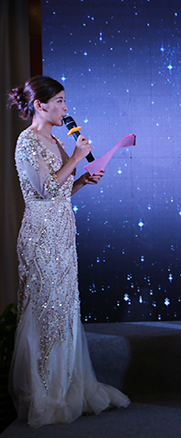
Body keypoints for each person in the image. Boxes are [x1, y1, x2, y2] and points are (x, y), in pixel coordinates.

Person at [7, 76, 129, 427]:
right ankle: (44, 393)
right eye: (59, 101)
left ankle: (65, 387)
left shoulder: (57, 140)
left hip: (62, 231)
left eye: (64, 101)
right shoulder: (27, 141)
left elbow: (60, 191)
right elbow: (44, 190)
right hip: (41, 236)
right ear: (40, 105)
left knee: (63, 307)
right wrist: (76, 157)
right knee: (45, 308)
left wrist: (82, 181)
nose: (65, 108)